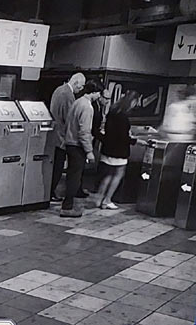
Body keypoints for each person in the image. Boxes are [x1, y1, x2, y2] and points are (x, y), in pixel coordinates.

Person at [59, 82, 98, 217]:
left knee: (71, 175)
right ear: (94, 92)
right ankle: (67, 207)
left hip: (69, 143)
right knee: (75, 177)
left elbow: (68, 123)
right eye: (99, 93)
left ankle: (67, 204)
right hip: (77, 145)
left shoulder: (77, 102)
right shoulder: (87, 107)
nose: (99, 96)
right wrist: (89, 151)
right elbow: (84, 131)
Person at [48, 73, 86, 200]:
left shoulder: (58, 90)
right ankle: (51, 192)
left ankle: (50, 192)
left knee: (54, 165)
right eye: (80, 87)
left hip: (54, 134)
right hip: (61, 137)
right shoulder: (68, 95)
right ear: (75, 83)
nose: (80, 90)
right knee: (58, 167)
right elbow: (69, 118)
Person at [96, 93, 133, 209]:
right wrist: (135, 141)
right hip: (119, 151)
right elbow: (123, 137)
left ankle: (99, 198)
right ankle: (107, 200)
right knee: (118, 174)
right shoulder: (123, 117)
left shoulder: (112, 112)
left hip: (108, 148)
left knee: (109, 174)